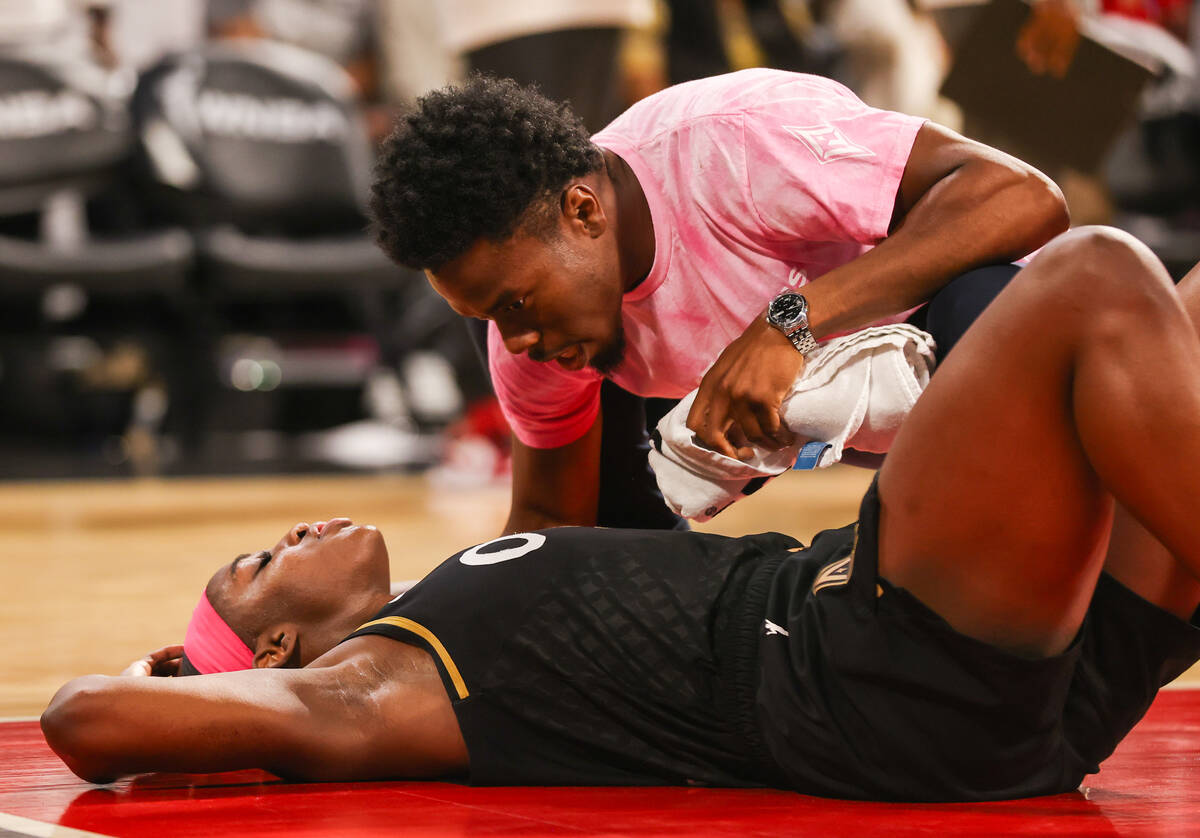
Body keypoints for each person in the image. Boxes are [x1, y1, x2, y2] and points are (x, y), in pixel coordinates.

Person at [41, 227, 1200, 800]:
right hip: (881, 673)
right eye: (257, 569)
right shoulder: (368, 685)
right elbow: (83, 719)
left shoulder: (448, 595)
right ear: (280, 652)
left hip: (1035, 692)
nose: (287, 536)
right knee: (1093, 275)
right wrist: (177, 676)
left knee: (1186, 298)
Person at [368, 70, 1069, 536]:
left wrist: (786, 325)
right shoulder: (537, 336)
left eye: (515, 304)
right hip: (849, 424)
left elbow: (1024, 197)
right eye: (488, 316)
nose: (514, 341)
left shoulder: (735, 142)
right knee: (597, 551)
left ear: (583, 211)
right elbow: (548, 524)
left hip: (1000, 354)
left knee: (983, 302)